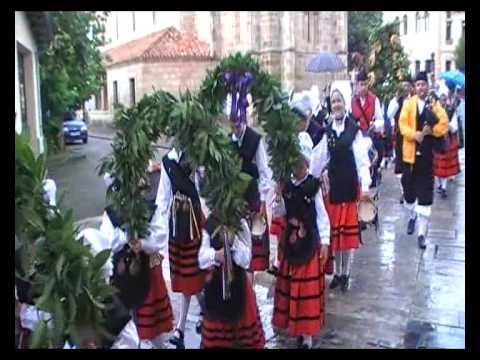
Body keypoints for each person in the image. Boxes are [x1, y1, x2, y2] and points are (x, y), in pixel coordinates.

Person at [100, 166, 174, 349]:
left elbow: (160, 236)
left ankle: (159, 345)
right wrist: (126, 238)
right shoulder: (111, 213)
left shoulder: (149, 209)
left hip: (147, 271)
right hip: (121, 277)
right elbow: (106, 241)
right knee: (127, 323)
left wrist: (142, 243)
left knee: (153, 326)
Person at [270, 135, 330, 349]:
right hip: (291, 243)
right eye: (295, 163)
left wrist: (325, 242)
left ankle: (307, 336)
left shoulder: (313, 186)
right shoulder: (285, 186)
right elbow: (279, 212)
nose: (298, 166)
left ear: (307, 163)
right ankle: (295, 327)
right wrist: (277, 197)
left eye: (301, 162)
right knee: (292, 288)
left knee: (306, 292)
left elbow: (322, 215)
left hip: (309, 244)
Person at [311, 89, 372, 293]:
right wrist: (310, 177)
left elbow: (362, 161)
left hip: (349, 187)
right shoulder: (327, 131)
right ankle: (337, 273)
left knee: (346, 237)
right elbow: (319, 159)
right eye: (333, 101)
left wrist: (365, 187)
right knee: (335, 235)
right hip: (334, 188)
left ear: (345, 103)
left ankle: (346, 273)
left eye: (339, 101)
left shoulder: (354, 130)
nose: (336, 104)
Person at [155, 147, 207, 349]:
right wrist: (159, 231)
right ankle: (204, 313)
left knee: (193, 278)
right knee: (189, 279)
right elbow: (163, 197)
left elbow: (202, 188)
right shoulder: (168, 161)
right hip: (177, 222)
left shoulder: (194, 157)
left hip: (194, 222)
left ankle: (182, 328)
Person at [198, 213, 265, 348]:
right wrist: (215, 255)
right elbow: (201, 259)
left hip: (239, 288)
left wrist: (233, 240)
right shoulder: (211, 223)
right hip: (216, 289)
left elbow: (246, 260)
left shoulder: (240, 223)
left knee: (241, 339)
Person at [398, 71, 448, 250]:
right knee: (409, 193)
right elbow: (402, 125)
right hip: (410, 157)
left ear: (427, 86)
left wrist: (429, 132)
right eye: (418, 85)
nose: (421, 88)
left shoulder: (434, 105)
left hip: (426, 158)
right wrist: (415, 135)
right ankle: (412, 216)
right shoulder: (408, 105)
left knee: (425, 195)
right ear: (414, 87)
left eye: (423, 84)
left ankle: (421, 234)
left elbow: (443, 124)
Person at [226, 94, 272, 284]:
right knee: (236, 247)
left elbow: (263, 170)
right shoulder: (228, 141)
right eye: (232, 119)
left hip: (251, 197)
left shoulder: (255, 139)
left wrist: (262, 200)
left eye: (238, 118)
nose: (235, 122)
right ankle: (240, 289)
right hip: (233, 200)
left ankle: (250, 293)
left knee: (252, 250)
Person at [351, 70, 384, 187]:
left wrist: (375, 125)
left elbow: (381, 120)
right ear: (357, 85)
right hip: (356, 139)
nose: (363, 87)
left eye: (365, 84)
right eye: (361, 84)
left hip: (370, 137)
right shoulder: (352, 101)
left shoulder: (374, 100)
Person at [388, 76, 414, 204]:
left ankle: (412, 189)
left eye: (407, 86)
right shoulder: (396, 101)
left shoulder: (414, 100)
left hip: (412, 137)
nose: (405, 88)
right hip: (400, 137)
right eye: (403, 86)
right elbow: (389, 115)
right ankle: (404, 191)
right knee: (401, 165)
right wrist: (398, 102)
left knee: (411, 164)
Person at [433, 82, 461, 199]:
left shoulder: (450, 110)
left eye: (444, 99)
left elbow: (454, 127)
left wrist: (448, 125)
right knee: (437, 165)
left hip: (447, 140)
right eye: (441, 99)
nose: (443, 101)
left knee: (444, 164)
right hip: (436, 139)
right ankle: (439, 185)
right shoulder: (434, 110)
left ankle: (443, 187)